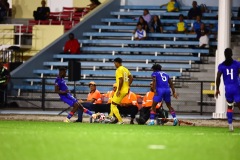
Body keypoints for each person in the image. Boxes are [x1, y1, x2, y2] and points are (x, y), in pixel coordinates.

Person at [215, 48, 240, 132]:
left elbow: (218, 77)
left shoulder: (221, 66)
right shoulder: (237, 64)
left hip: (228, 89)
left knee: (230, 106)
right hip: (236, 87)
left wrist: (217, 89)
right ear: (232, 54)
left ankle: (230, 125)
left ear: (224, 55)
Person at [108, 58, 133, 124]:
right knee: (113, 101)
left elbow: (121, 80)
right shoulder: (125, 69)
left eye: (114, 63)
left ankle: (120, 121)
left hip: (121, 90)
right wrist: (128, 86)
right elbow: (131, 77)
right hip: (125, 89)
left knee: (113, 104)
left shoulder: (118, 70)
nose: (114, 65)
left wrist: (118, 90)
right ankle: (110, 116)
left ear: (117, 62)